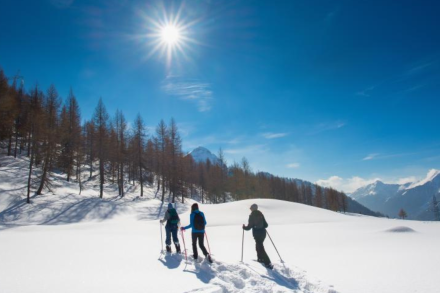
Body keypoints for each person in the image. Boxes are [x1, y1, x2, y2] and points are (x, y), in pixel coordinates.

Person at [243, 203, 273, 269]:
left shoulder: (252, 215)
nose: (250, 209)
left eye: (251, 208)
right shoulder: (261, 214)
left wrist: (244, 227)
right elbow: (266, 225)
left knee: (260, 247)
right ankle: (260, 259)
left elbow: (249, 227)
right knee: (258, 246)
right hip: (263, 233)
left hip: (257, 234)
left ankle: (268, 263)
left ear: (252, 209)